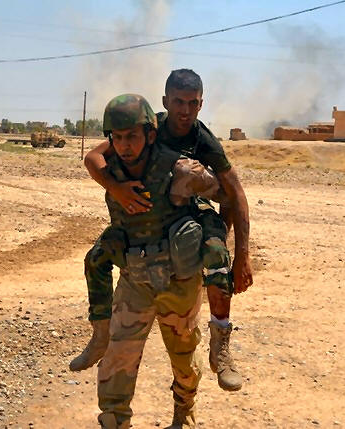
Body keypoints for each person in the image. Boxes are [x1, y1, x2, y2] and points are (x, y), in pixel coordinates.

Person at [71, 69, 252, 392]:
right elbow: (95, 156)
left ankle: (221, 344)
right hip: (152, 212)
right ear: (166, 102)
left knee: (216, 256)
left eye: (193, 103)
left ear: (201, 104)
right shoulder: (144, 126)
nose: (185, 111)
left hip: (194, 203)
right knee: (96, 258)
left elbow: (233, 192)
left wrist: (238, 253)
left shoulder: (202, 139)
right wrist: (116, 188)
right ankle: (100, 335)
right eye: (179, 102)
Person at [94, 94, 223, 428]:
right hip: (135, 279)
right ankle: (114, 420)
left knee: (184, 359)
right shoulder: (111, 170)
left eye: (132, 136)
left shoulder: (181, 168)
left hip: (179, 281)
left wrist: (211, 237)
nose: (124, 145)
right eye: (117, 137)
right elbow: (92, 159)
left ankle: (184, 410)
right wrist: (115, 187)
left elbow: (224, 194)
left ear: (150, 135)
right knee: (117, 357)